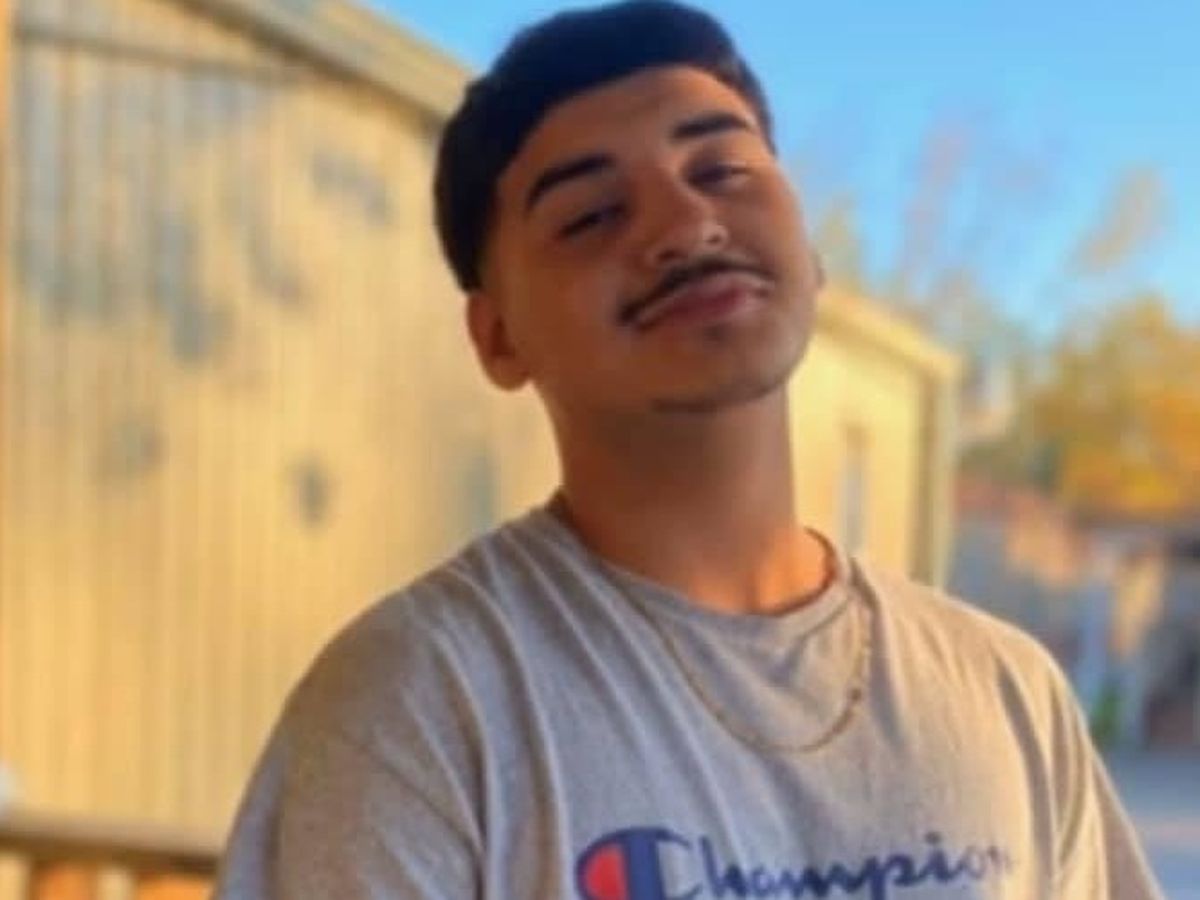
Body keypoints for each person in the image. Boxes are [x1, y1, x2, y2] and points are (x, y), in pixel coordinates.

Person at [214, 2, 1164, 897]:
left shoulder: (1005, 693)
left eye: (722, 171)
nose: (684, 225)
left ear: (811, 251)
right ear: (496, 337)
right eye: (591, 216)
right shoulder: (419, 703)